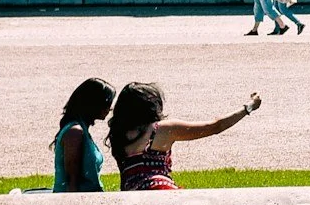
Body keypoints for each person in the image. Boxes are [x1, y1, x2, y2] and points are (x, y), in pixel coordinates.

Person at [108, 81, 261, 191]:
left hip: (132, 196)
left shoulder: (118, 135)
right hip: (160, 189)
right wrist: (249, 107)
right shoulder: (163, 129)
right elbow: (216, 126)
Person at [52, 78, 114, 192]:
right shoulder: (74, 133)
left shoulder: (83, 131)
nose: (110, 108)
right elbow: (72, 182)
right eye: (107, 103)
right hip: (77, 202)